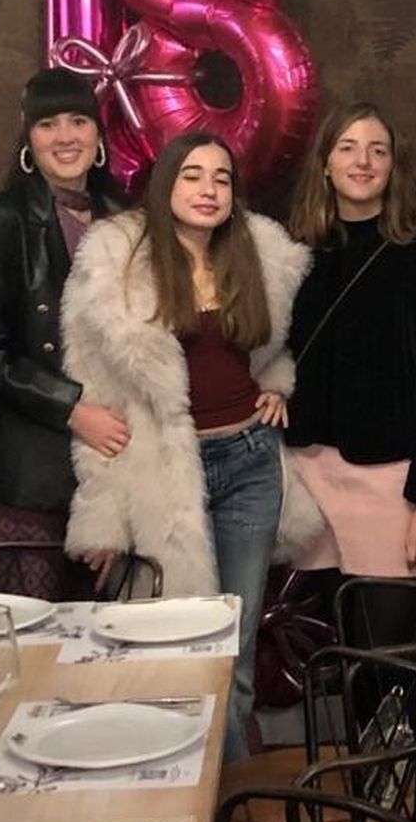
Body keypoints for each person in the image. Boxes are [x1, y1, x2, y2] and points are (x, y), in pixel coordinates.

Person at [60, 131, 314, 760]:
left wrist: (278, 386)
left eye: (222, 178)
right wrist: (103, 513)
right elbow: (96, 402)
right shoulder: (116, 263)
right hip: (166, 471)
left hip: (251, 464)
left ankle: (225, 812)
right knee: (175, 653)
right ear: (165, 183)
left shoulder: (261, 256)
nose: (208, 189)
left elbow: (276, 350)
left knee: (238, 649)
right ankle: (178, 812)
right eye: (193, 175)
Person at [284, 103, 416, 591]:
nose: (362, 161)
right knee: (318, 651)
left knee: (383, 652)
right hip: (305, 476)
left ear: (393, 166)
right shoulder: (297, 252)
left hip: (392, 482)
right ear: (325, 163)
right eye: (347, 147)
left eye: (377, 150)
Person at [0, 68, 124, 599]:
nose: (65, 136)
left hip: (112, 469)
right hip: (31, 476)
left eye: (79, 120)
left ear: (99, 136)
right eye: (48, 123)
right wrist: (73, 410)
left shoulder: (125, 219)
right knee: (31, 648)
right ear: (28, 139)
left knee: (107, 656)